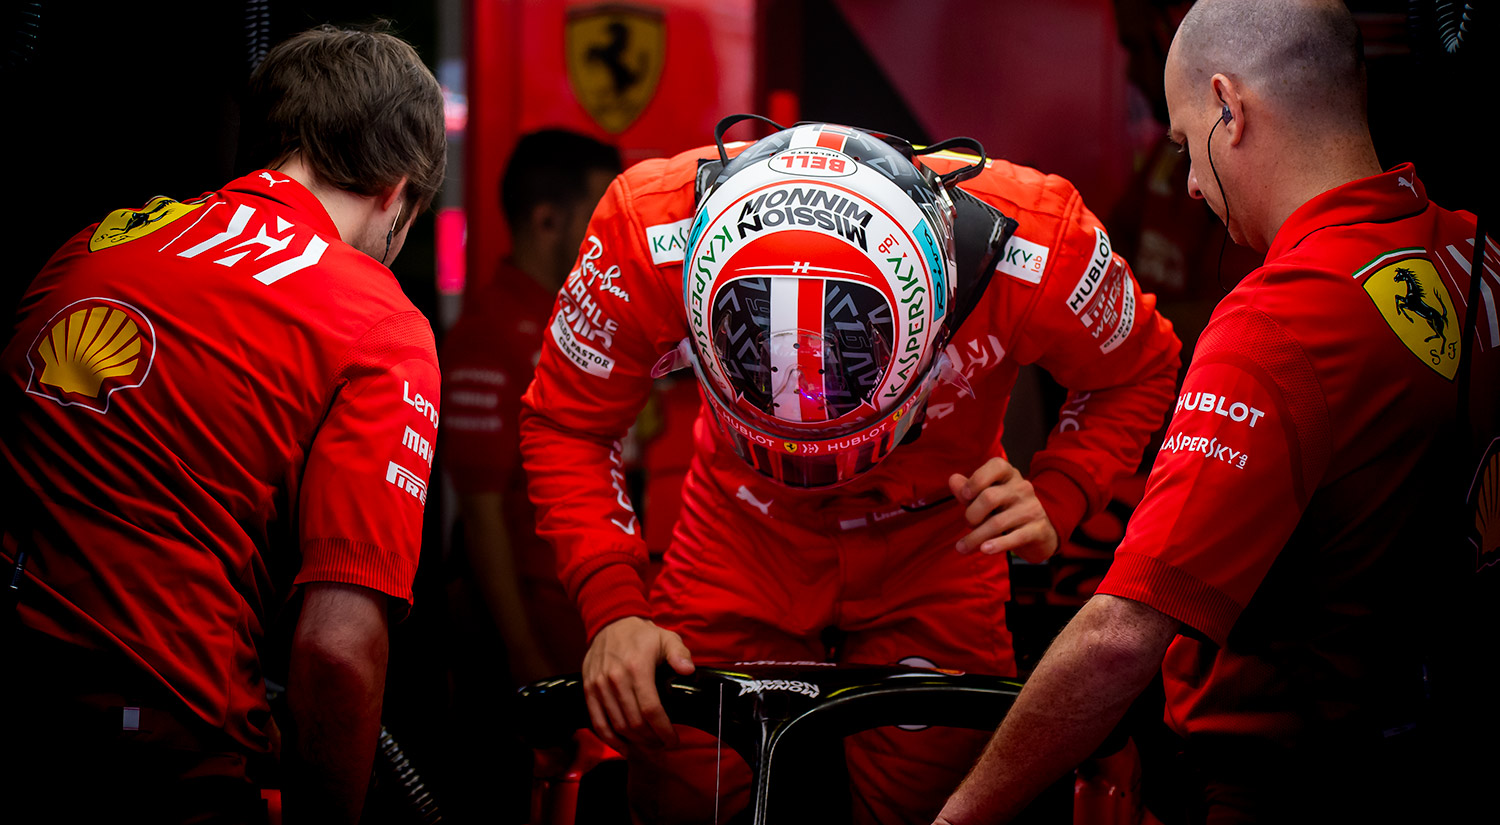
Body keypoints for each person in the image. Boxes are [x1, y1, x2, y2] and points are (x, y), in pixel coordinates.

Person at [519, 116, 1182, 823]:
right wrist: (614, 608)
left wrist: (1061, 492)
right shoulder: (646, 233)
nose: (823, 475)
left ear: (946, 309)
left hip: (938, 546)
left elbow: (1139, 368)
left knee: (948, 806)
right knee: (684, 783)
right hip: (741, 530)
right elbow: (568, 419)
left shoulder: (1040, 242)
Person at [933, 1, 1495, 822]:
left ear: (1229, 109)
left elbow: (1121, 635)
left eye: (1188, 142)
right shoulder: (1473, 256)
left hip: (1282, 786)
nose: (1192, 184)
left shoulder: (1281, 317)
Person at [0, 23, 445, 825]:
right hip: (162, 756)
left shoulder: (95, 243)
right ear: (397, 193)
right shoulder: (377, 317)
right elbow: (337, 652)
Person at [443, 129, 622, 686]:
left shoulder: (578, 317)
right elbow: (480, 513)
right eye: (600, 217)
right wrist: (523, 654)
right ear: (548, 222)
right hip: (532, 647)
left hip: (587, 626)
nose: (614, 236)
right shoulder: (486, 336)